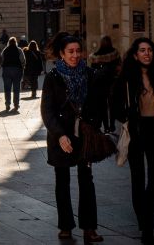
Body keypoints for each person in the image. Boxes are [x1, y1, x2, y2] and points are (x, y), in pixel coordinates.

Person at [111, 38, 154, 243]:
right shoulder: (126, 78)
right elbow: (114, 103)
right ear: (135, 54)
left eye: (150, 50)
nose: (147, 53)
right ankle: (146, 222)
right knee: (138, 179)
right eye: (142, 50)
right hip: (136, 131)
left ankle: (147, 212)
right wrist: (125, 118)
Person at [41, 32, 104, 243]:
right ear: (61, 53)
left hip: (84, 136)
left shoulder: (90, 74)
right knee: (62, 181)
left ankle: (89, 227)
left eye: (78, 51)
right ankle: (66, 226)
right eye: (70, 52)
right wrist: (59, 135)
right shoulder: (53, 78)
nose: (75, 55)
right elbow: (47, 111)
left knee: (87, 181)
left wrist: (93, 128)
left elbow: (98, 106)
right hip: (62, 136)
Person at [88, 36, 121, 133]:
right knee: (112, 105)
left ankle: (106, 126)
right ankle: (112, 125)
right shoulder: (114, 53)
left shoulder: (96, 56)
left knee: (102, 106)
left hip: (100, 84)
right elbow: (119, 66)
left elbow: (93, 70)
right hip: (112, 82)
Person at [1, 37, 26, 112]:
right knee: (16, 88)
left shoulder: (5, 50)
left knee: (7, 88)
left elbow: (1, 60)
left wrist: (3, 66)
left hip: (7, 70)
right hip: (17, 70)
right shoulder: (19, 50)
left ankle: (7, 104)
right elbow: (23, 60)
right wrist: (22, 67)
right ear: (15, 42)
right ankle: (16, 104)